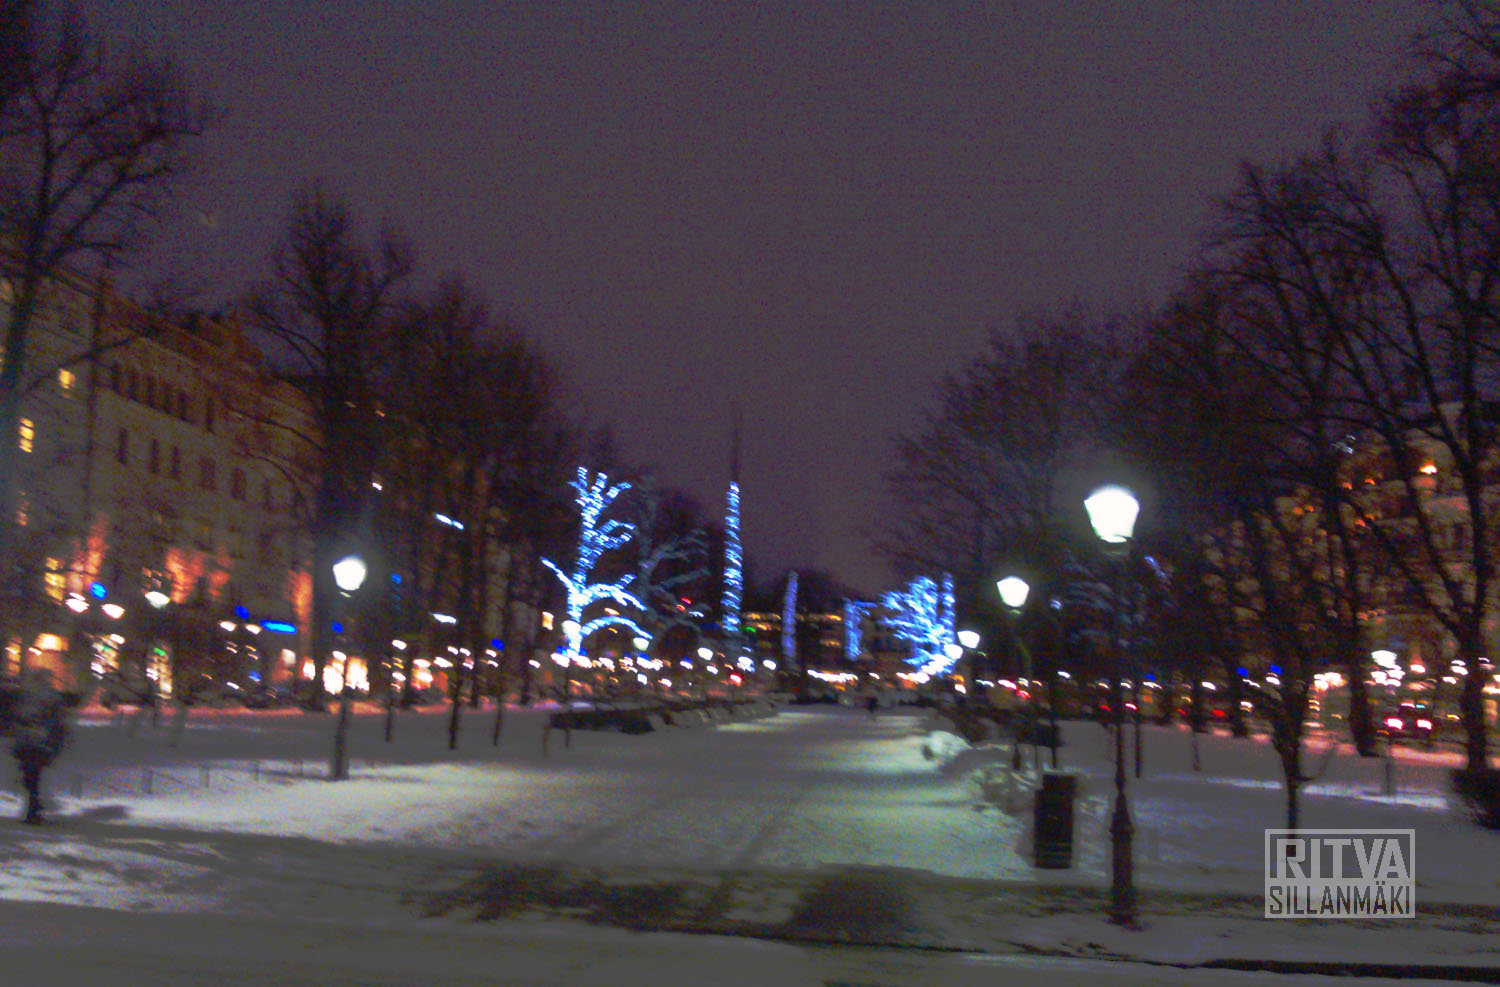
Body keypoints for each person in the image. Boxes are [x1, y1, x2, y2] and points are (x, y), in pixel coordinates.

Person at [10, 669, 68, 825]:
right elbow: (59, 724)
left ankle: (34, 809)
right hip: (39, 745)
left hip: (32, 745)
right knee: (34, 779)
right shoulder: (51, 697)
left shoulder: (30, 697)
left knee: (31, 779)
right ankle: (35, 808)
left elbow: (20, 719)